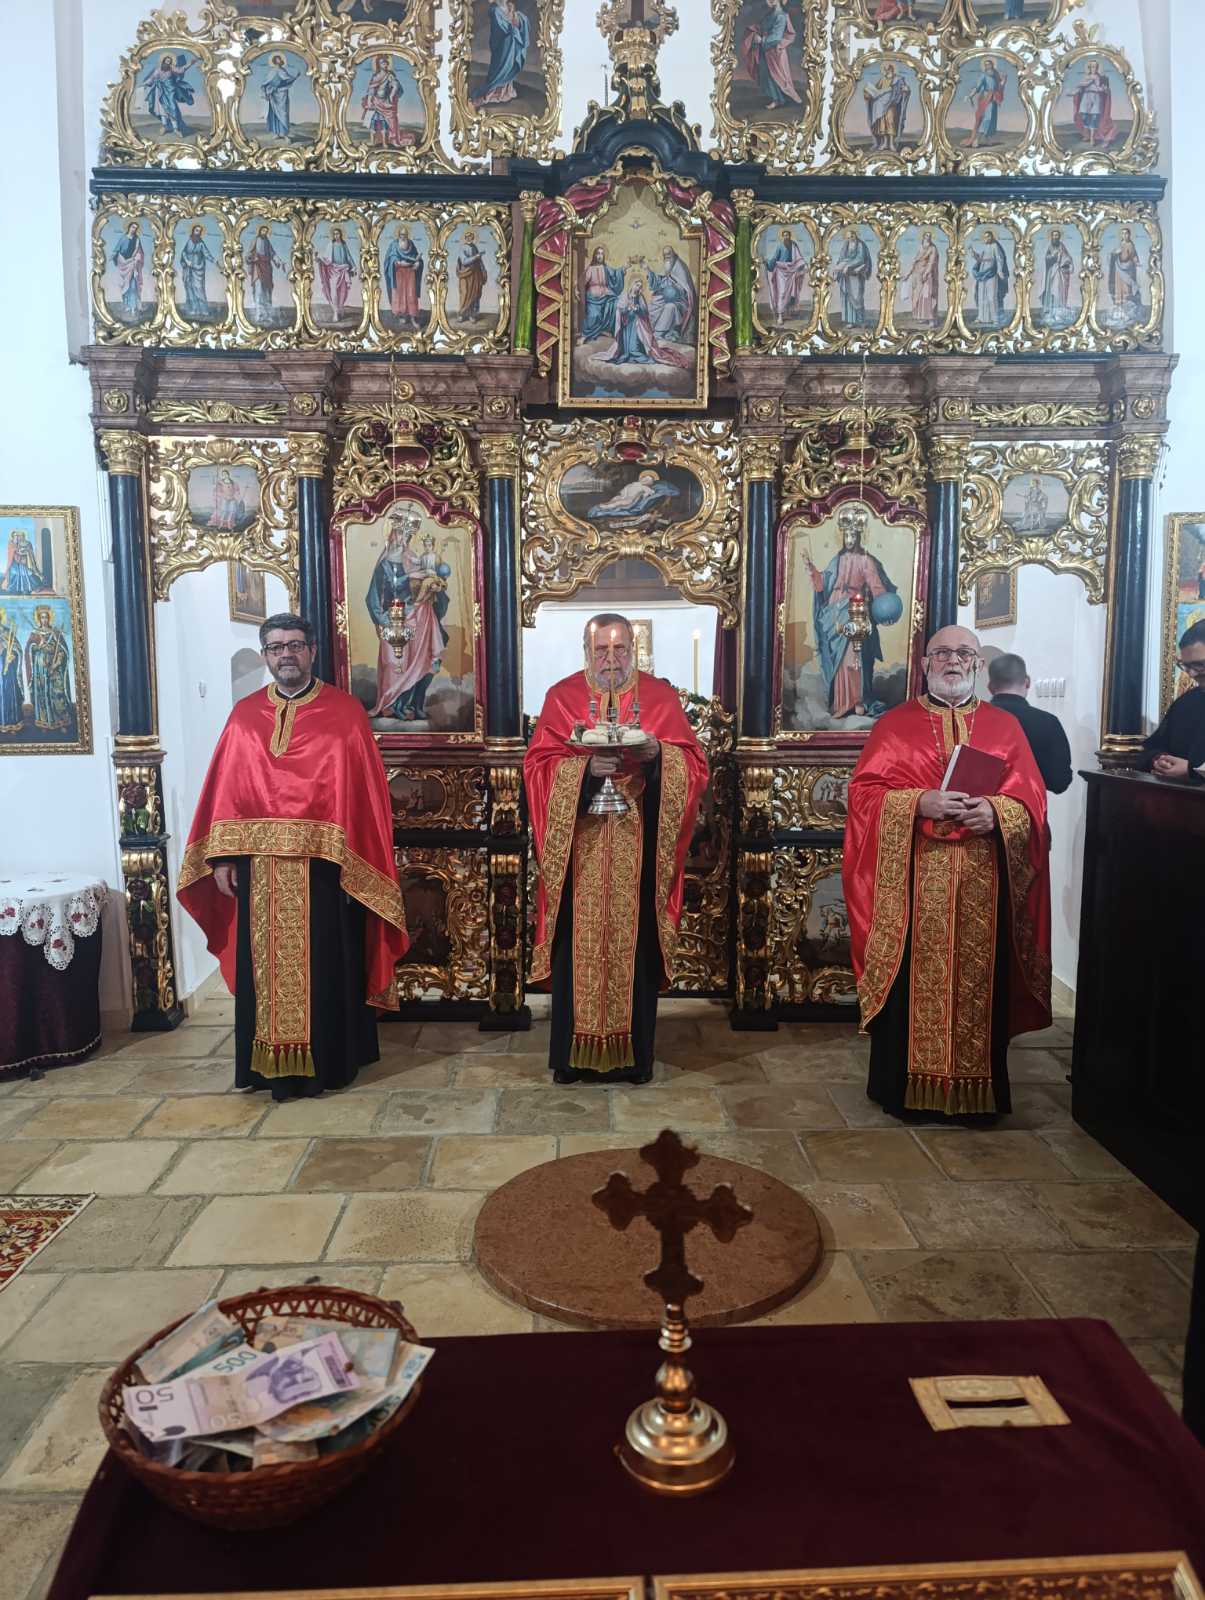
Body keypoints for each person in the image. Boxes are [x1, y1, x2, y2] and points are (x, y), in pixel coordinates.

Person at [178, 613, 409, 1100]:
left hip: (325, 872)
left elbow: (363, 800)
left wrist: (355, 863)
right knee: (262, 973)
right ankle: (267, 1069)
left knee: (329, 965)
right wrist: (222, 859)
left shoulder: (345, 713)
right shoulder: (244, 717)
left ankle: (331, 1064)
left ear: (312, 651)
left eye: (295, 645)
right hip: (257, 869)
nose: (286, 654)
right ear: (266, 654)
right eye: (277, 647)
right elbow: (226, 794)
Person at [843, 624, 1052, 1119]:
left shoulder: (1005, 727)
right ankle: (902, 1091)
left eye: (962, 653)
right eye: (941, 653)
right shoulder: (894, 724)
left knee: (980, 989)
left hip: (984, 883)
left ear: (978, 664)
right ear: (924, 664)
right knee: (911, 988)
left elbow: (1032, 802)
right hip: (913, 884)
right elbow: (863, 796)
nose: (952, 661)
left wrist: (997, 812)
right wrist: (919, 802)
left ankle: (977, 1096)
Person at [525, 614, 708, 1085]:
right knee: (576, 947)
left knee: (635, 947)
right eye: (601, 650)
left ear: (635, 649)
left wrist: (658, 756)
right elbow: (538, 767)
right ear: (587, 652)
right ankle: (572, 1058)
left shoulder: (660, 698)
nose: (611, 659)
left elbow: (694, 766)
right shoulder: (562, 697)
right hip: (580, 849)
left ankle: (635, 1058)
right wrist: (584, 772)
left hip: (638, 844)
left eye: (620, 648)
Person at [806, 503, 901, 719]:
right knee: (838, 662)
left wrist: (885, 608)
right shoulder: (837, 560)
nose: (849, 540)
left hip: (853, 612)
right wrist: (813, 572)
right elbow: (823, 584)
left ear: (858, 537)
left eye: (852, 536)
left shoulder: (866, 561)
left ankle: (858, 701)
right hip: (832, 614)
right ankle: (840, 703)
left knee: (852, 658)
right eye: (846, 536)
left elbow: (877, 588)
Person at [366, 510, 450, 722]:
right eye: (400, 534)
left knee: (422, 662)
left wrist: (434, 585)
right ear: (391, 534)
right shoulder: (384, 565)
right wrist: (383, 620)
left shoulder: (414, 559)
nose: (403, 539)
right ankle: (393, 705)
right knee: (395, 664)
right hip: (395, 621)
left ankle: (413, 704)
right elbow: (373, 597)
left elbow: (429, 583)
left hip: (419, 616)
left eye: (407, 535)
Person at [988, 653, 1073, 797]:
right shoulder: (1048, 722)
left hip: (981, 808)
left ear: (990, 687)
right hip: (1028, 807)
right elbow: (1060, 782)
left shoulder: (973, 719)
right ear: (1027, 682)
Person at [1143, 618, 1205, 783]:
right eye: (1186, 666)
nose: (1192, 674)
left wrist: (1191, 771)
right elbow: (1150, 748)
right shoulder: (1185, 704)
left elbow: (1190, 769)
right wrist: (1159, 760)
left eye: (1199, 665)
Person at [739, 0, 802, 111]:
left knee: (776, 75)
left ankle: (778, 99)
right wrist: (755, 30)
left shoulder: (781, 16)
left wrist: (762, 40)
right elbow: (762, 27)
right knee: (766, 73)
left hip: (775, 52)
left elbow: (776, 37)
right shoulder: (769, 14)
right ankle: (775, 97)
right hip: (765, 50)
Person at [24, 607, 73, 733]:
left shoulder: (55, 633)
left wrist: (56, 663)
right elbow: (28, 650)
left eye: (46, 617)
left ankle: (61, 722)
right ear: (39, 619)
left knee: (57, 694)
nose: (44, 620)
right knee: (42, 694)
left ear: (49, 618)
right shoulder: (35, 633)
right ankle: (44, 723)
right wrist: (37, 645)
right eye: (42, 617)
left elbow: (62, 650)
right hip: (40, 669)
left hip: (54, 668)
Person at [474, 0, 530, 106]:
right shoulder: (495, 10)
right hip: (502, 45)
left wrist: (516, 17)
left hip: (510, 44)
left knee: (510, 63)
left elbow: (519, 22)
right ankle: (494, 92)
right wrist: (513, 26)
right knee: (500, 67)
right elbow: (501, 29)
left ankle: (507, 90)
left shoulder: (509, 7)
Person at [643, 248, 696, 344]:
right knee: (653, 305)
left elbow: (686, 290)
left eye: (669, 255)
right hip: (664, 298)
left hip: (680, 302)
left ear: (674, 255)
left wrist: (674, 290)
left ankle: (658, 333)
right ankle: (652, 331)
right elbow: (658, 282)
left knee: (670, 307)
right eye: (665, 256)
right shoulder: (666, 267)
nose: (667, 257)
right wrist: (648, 270)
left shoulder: (680, 268)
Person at [588, 470, 679, 522]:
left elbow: (650, 493)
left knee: (620, 503)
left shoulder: (644, 487)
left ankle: (605, 507)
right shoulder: (634, 484)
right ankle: (606, 505)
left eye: (648, 481)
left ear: (650, 483)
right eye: (644, 479)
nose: (645, 481)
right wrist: (622, 493)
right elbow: (626, 488)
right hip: (624, 495)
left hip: (630, 499)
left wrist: (646, 493)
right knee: (616, 499)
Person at [142, 52, 197, 137]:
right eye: (166, 61)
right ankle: (165, 127)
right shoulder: (158, 69)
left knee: (172, 109)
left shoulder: (172, 68)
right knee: (162, 110)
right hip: (160, 91)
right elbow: (152, 78)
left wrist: (190, 64)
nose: (168, 62)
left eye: (169, 61)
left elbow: (181, 70)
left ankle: (176, 129)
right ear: (163, 61)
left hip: (170, 91)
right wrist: (146, 84)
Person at [382, 224, 424, 329]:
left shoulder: (411, 244)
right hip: (399, 273)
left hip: (410, 273)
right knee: (400, 295)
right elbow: (390, 258)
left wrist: (418, 263)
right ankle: (403, 315)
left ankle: (413, 317)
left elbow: (416, 256)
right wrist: (399, 263)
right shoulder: (394, 244)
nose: (403, 236)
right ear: (398, 235)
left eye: (405, 234)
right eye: (401, 234)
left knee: (411, 294)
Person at [764, 229, 809, 324]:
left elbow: (799, 258)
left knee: (790, 293)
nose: (786, 237)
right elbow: (775, 258)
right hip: (781, 271)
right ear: (782, 236)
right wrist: (768, 264)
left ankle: (787, 313)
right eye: (784, 235)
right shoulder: (780, 246)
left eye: (787, 235)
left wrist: (803, 265)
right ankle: (780, 316)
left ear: (790, 236)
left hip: (791, 271)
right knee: (782, 292)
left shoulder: (794, 245)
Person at [864, 62, 910, 152]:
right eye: (885, 70)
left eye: (888, 69)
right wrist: (869, 93)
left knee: (890, 121)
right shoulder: (882, 80)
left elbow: (904, 88)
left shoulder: (898, 79)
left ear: (892, 69)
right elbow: (876, 90)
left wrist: (906, 90)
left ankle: (891, 143)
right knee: (882, 123)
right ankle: (884, 143)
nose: (886, 71)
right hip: (880, 105)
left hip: (891, 103)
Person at [581, 247, 624, 342]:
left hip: (605, 295)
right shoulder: (590, 269)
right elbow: (583, 282)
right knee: (594, 315)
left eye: (601, 254)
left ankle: (606, 329)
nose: (600, 256)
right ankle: (585, 335)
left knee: (616, 303)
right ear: (594, 255)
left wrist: (623, 269)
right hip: (593, 298)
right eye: (598, 253)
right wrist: (577, 288)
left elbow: (615, 273)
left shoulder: (606, 268)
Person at [361, 55, 405, 147]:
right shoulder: (376, 76)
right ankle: (374, 141)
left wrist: (391, 95)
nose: (385, 65)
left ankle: (390, 141)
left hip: (386, 103)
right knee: (374, 123)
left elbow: (396, 86)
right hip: (376, 102)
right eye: (383, 63)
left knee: (388, 122)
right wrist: (369, 101)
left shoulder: (389, 75)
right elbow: (371, 90)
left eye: (386, 63)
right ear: (378, 65)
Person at [834, 227, 873, 326]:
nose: (850, 238)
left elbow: (861, 259)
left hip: (856, 273)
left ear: (855, 235)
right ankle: (851, 321)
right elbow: (841, 257)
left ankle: (860, 320)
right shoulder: (846, 244)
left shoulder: (860, 245)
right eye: (848, 237)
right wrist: (839, 266)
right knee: (847, 296)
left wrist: (848, 266)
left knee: (857, 297)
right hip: (846, 275)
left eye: (852, 236)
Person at [1072, 58, 1114, 149]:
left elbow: (1100, 88)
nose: (1093, 68)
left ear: (1097, 68)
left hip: (1096, 97)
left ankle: (1092, 138)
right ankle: (1087, 135)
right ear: (1089, 68)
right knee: (1084, 116)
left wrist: (1104, 89)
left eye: (1095, 67)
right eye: (1091, 67)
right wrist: (1077, 90)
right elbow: (1081, 86)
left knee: (1095, 117)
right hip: (1086, 97)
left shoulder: (1100, 78)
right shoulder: (1086, 77)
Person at [245, 225, 284, 322]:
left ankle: (268, 315)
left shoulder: (267, 242)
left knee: (268, 292)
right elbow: (248, 254)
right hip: (258, 268)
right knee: (259, 291)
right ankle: (260, 315)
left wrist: (279, 261)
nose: (264, 232)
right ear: (259, 231)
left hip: (267, 268)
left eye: (266, 231)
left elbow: (273, 253)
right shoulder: (255, 240)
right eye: (263, 230)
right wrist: (253, 258)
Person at [901, 229, 940, 326]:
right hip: (917, 274)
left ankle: (931, 319)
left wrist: (926, 273)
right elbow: (915, 261)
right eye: (926, 235)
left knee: (928, 296)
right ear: (923, 237)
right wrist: (908, 274)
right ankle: (923, 317)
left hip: (927, 275)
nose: (928, 237)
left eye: (929, 235)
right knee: (919, 297)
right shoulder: (921, 247)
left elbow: (931, 262)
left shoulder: (933, 248)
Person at [970, 229, 1009, 326]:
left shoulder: (995, 246)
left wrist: (999, 270)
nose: (986, 238)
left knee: (991, 296)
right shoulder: (984, 247)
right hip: (982, 273)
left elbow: (999, 259)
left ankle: (995, 319)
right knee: (982, 295)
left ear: (992, 237)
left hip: (991, 273)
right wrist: (974, 254)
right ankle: (981, 317)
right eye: (985, 237)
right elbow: (980, 259)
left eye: (988, 236)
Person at [964, 56, 1005, 150]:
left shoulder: (996, 75)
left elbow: (999, 86)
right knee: (986, 118)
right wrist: (970, 96)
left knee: (992, 119)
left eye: (989, 64)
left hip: (994, 98)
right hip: (986, 98)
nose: (987, 66)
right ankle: (976, 139)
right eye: (986, 65)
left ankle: (987, 137)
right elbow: (977, 87)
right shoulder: (983, 76)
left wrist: (1003, 80)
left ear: (992, 65)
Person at [316, 225, 356, 320]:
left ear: (341, 234)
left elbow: (348, 257)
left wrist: (354, 266)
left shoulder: (344, 245)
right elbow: (326, 258)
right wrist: (319, 259)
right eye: (334, 234)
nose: (336, 235)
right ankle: (335, 312)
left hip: (344, 269)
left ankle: (340, 308)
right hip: (333, 270)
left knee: (343, 291)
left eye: (337, 234)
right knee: (334, 291)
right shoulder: (331, 245)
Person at [179, 223, 217, 321]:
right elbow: (184, 253)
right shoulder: (189, 241)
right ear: (193, 231)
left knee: (199, 288)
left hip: (198, 268)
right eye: (196, 230)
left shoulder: (201, 243)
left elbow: (206, 254)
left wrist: (214, 261)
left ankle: (203, 310)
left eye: (199, 231)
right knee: (189, 288)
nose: (198, 233)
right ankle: (193, 309)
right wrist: (186, 260)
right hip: (188, 269)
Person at [1038, 228, 1074, 325]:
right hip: (1051, 273)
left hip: (1060, 272)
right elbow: (1045, 259)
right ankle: (1049, 311)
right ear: (1051, 237)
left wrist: (1065, 263)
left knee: (1059, 291)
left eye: (1057, 235)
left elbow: (1068, 258)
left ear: (1059, 237)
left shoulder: (1062, 246)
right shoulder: (1049, 247)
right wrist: (1053, 257)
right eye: (1053, 235)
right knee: (1051, 291)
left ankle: (1058, 311)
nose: (1055, 237)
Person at [1107, 227, 1142, 323]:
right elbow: (1115, 253)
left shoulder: (1130, 245)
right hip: (1119, 268)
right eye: (1123, 233)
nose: (1124, 235)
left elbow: (1134, 255)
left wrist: (1137, 262)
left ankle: (1127, 306)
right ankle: (1119, 305)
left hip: (1128, 268)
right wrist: (1113, 254)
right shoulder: (1121, 244)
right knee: (1119, 286)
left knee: (1126, 286)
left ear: (1129, 235)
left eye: (1126, 233)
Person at [112, 221, 145, 321]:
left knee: (133, 286)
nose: (134, 229)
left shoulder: (137, 239)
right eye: (133, 227)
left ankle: (133, 307)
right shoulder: (123, 238)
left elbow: (139, 251)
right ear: (129, 227)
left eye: (136, 228)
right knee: (125, 286)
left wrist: (135, 258)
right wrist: (118, 258)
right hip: (123, 264)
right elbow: (117, 251)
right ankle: (127, 305)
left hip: (132, 265)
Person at [261, 53, 300, 139]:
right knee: (274, 113)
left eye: (280, 59)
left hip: (282, 94)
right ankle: (277, 133)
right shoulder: (272, 72)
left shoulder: (283, 71)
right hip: (274, 94)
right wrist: (266, 92)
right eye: (277, 59)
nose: (279, 61)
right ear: (274, 61)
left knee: (283, 113)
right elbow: (265, 83)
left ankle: (284, 133)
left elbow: (288, 80)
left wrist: (295, 77)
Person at [0, 607, 24, 734]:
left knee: (9, 694)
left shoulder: (7, 632)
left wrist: (13, 655)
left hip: (8, 670)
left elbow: (18, 649)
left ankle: (11, 724)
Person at [456, 231, 488, 323]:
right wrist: (476, 257)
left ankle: (472, 314)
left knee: (475, 293)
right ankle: (462, 314)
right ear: (465, 238)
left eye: (471, 237)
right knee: (465, 294)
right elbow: (464, 261)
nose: (469, 238)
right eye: (468, 237)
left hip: (475, 274)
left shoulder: (474, 247)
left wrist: (483, 270)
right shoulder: (463, 248)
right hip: (465, 274)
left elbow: (479, 261)